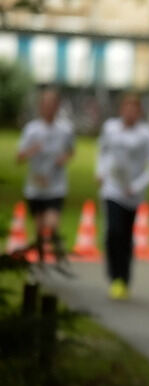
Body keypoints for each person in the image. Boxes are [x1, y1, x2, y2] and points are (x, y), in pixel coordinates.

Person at [95, 92, 149, 300]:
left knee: (125, 235)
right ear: (121, 110)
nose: (130, 113)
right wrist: (100, 172)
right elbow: (103, 152)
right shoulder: (110, 128)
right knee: (113, 231)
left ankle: (124, 277)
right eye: (127, 108)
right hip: (112, 188)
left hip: (132, 193)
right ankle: (114, 274)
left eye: (135, 109)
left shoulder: (147, 134)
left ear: (139, 112)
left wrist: (137, 185)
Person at [16, 88, 75, 274]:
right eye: (46, 104)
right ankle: (41, 259)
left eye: (53, 104)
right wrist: (32, 150)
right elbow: (19, 157)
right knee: (40, 227)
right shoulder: (32, 130)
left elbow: (71, 150)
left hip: (56, 186)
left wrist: (64, 159)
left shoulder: (65, 129)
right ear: (40, 107)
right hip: (35, 186)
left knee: (51, 223)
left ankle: (56, 250)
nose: (49, 108)